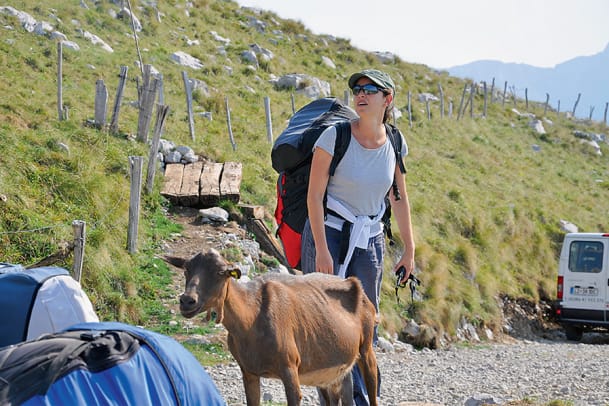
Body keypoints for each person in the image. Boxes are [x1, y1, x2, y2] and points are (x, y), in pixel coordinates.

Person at [300, 69, 416, 405]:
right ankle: (333, 400)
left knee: (365, 324)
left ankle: (362, 398)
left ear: (387, 99)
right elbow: (314, 196)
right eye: (357, 89)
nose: (360, 94)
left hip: (370, 239)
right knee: (326, 321)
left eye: (370, 89)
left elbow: (399, 197)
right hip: (329, 233)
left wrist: (409, 249)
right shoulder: (334, 137)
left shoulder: (395, 142)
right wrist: (322, 249)